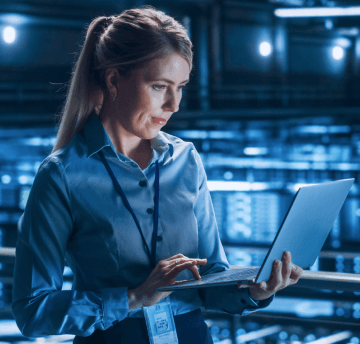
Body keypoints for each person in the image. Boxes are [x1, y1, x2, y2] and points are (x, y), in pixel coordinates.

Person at [12, 6, 303, 344]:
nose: (174, 105)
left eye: (181, 86)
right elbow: (32, 310)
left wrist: (255, 290)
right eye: (159, 86)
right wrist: (135, 297)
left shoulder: (187, 159)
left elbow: (210, 276)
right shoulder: (62, 174)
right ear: (113, 80)